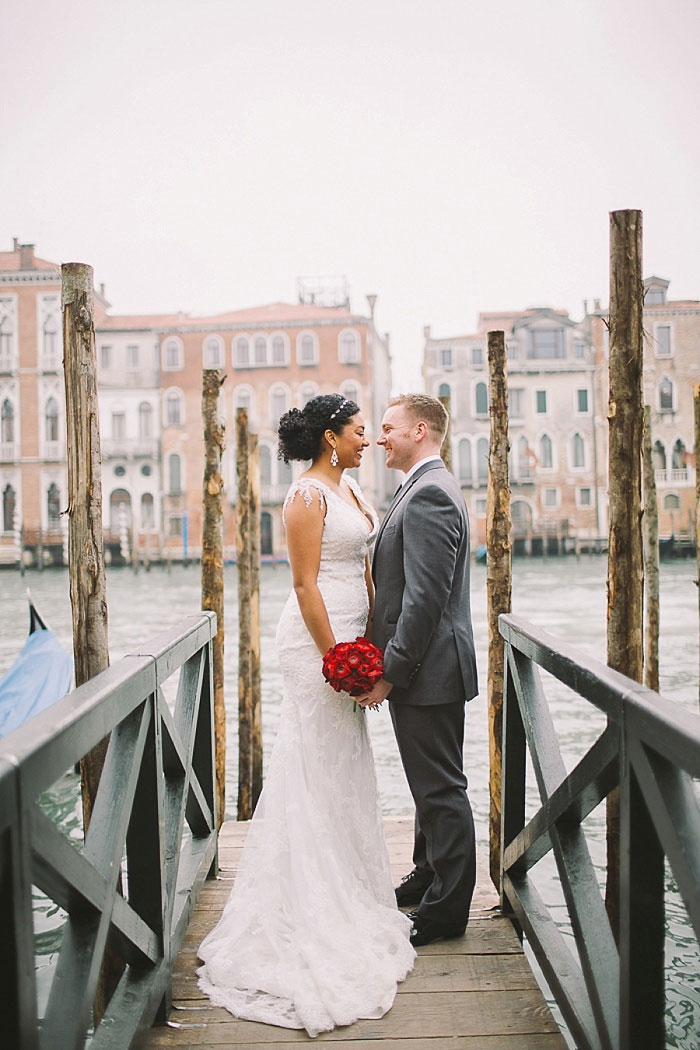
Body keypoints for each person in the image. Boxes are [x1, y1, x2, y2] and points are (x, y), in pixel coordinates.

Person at [197, 393, 415, 1037]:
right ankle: (307, 905)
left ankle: (349, 888)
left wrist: (372, 643)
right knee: (313, 764)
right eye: (355, 432)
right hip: (318, 640)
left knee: (345, 766)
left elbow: (368, 573)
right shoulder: (305, 497)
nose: (364, 441)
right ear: (329, 437)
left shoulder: (351, 492)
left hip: (355, 634)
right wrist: (337, 659)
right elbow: (304, 583)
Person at [357, 393, 478, 947]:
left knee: (440, 790)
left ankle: (447, 910)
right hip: (427, 669)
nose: (380, 437)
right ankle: (430, 875)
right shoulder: (418, 486)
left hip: (427, 670)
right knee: (428, 786)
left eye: (388, 428)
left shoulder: (430, 495)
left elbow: (424, 601)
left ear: (421, 431)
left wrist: (391, 671)